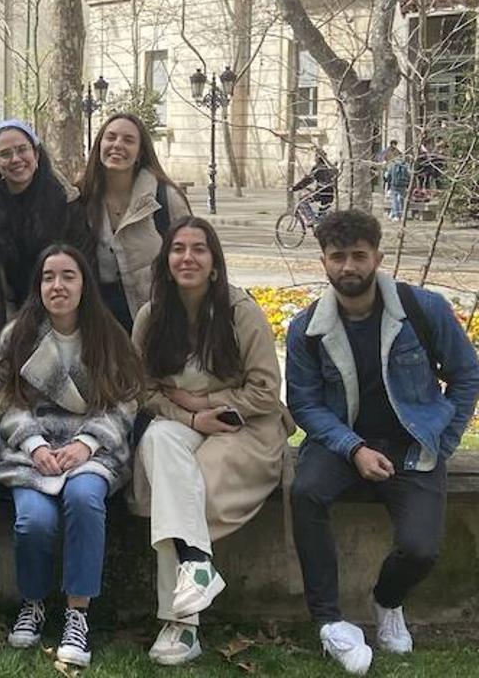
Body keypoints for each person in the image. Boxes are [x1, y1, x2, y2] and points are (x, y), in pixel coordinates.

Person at [286, 210, 479, 675]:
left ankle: (386, 602)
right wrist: (352, 448)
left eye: (358, 256)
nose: (348, 267)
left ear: (378, 257)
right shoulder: (306, 329)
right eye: (337, 257)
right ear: (324, 262)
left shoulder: (422, 309)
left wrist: (445, 440)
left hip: (413, 444)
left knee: (420, 549)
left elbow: (466, 373)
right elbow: (307, 407)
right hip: (341, 444)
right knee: (305, 491)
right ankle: (330, 622)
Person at [130, 217, 294, 666]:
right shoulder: (151, 316)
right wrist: (189, 415)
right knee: (160, 441)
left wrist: (208, 402)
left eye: (199, 249)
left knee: (177, 488)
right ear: (165, 262)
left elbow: (265, 389)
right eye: (178, 248)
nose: (187, 257)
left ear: (215, 263)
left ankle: (180, 625)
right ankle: (197, 563)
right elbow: (141, 390)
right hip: (185, 423)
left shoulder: (240, 311)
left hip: (245, 426)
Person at [0, 245, 142, 668]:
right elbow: (3, 401)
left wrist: (87, 444)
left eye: (68, 276)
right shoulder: (16, 336)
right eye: (48, 277)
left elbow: (126, 400)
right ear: (38, 286)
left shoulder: (109, 336)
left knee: (84, 499)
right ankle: (32, 603)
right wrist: (36, 447)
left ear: (84, 284)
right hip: (31, 449)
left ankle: (78, 614)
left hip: (93, 449)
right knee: (34, 520)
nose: (58, 285)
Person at [0, 119, 92, 391]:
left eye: (22, 150)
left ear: (36, 154)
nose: (16, 159)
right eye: (5, 153)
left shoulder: (67, 205)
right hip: (3, 342)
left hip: (62, 338)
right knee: (6, 427)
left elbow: (86, 267)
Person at [80, 112, 190, 332]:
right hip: (98, 328)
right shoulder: (81, 200)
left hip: (156, 324)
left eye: (128, 140)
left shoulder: (165, 199)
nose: (117, 145)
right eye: (110, 137)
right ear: (99, 145)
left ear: (140, 152)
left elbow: (192, 257)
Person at [292, 148, 337, 218]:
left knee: (302, 201)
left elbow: (308, 180)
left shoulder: (317, 168)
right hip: (330, 194)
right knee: (322, 215)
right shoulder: (330, 168)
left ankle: (311, 218)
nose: (314, 159)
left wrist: (295, 188)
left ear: (318, 158)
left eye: (315, 156)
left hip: (321, 193)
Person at [384, 155, 411, 221]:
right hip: (403, 185)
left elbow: (388, 176)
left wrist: (388, 184)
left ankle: (396, 215)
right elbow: (408, 175)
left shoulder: (392, 166)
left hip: (394, 185)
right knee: (402, 200)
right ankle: (402, 215)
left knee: (395, 200)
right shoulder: (405, 165)